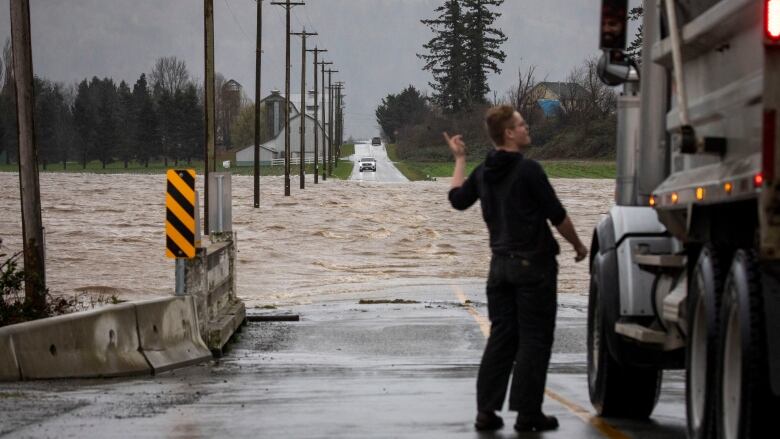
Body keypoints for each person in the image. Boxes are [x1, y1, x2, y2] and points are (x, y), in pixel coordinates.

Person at [445, 105, 588, 433]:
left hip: (499, 269)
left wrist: (459, 159)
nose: (527, 128)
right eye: (522, 125)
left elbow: (456, 199)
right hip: (533, 268)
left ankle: (486, 411)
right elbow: (557, 215)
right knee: (534, 339)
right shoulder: (529, 171)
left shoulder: (483, 172)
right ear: (509, 133)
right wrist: (579, 246)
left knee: (502, 339)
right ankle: (528, 414)